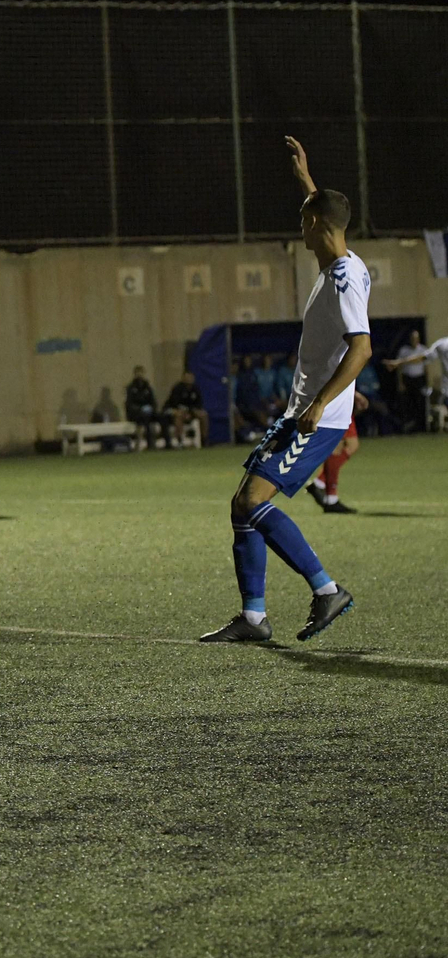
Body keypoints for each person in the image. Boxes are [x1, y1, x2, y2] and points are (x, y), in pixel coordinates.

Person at [201, 136, 370, 644]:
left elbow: (361, 347)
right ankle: (253, 618)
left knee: (253, 500)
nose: (300, 226)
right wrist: (306, 180)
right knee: (241, 504)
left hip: (315, 417)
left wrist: (321, 403)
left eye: (303, 218)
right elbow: (326, 217)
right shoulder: (346, 262)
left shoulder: (342, 280)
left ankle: (326, 589)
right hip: (307, 410)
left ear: (314, 225)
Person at [305, 392, 368, 514]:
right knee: (337, 446)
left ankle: (319, 483)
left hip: (342, 397)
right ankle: (331, 499)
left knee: (352, 445)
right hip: (336, 397)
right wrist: (354, 394)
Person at [388, 330, 430, 431]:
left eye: (416, 338)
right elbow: (400, 369)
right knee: (407, 403)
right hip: (408, 379)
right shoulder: (404, 350)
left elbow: (426, 368)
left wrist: (427, 383)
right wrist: (401, 383)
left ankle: (420, 426)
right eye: (412, 338)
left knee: (419, 403)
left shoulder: (423, 350)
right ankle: (407, 426)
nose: (414, 341)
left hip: (418, 379)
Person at [162, 371, 204, 447]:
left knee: (204, 415)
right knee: (179, 416)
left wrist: (192, 411)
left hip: (191, 411)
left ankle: (204, 440)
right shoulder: (177, 388)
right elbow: (175, 404)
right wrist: (184, 412)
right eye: (187, 377)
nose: (189, 379)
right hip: (178, 411)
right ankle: (180, 441)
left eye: (191, 377)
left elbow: (199, 403)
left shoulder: (195, 389)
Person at [125, 366, 158, 447]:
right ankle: (147, 444)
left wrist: (151, 408)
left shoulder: (148, 387)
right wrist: (140, 409)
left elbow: (153, 401)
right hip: (136, 413)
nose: (139, 375)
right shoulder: (131, 388)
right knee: (144, 419)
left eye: (141, 373)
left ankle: (163, 443)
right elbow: (129, 404)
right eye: (137, 373)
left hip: (148, 413)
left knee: (160, 417)